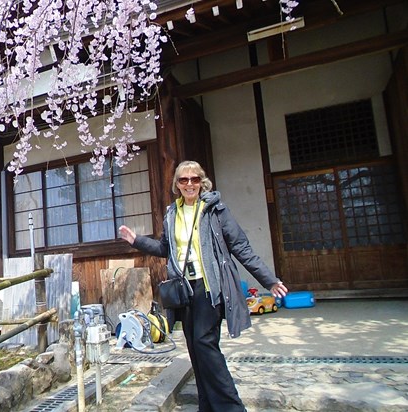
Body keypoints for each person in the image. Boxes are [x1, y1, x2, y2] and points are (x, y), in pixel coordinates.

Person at [119, 160, 288, 412]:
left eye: (194, 179)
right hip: (184, 290)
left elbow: (241, 247)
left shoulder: (215, 210)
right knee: (195, 349)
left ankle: (231, 407)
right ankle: (206, 406)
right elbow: (165, 248)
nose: (189, 184)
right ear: (177, 184)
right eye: (183, 180)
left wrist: (269, 280)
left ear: (202, 182)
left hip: (210, 288)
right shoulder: (171, 213)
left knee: (204, 343)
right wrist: (137, 241)